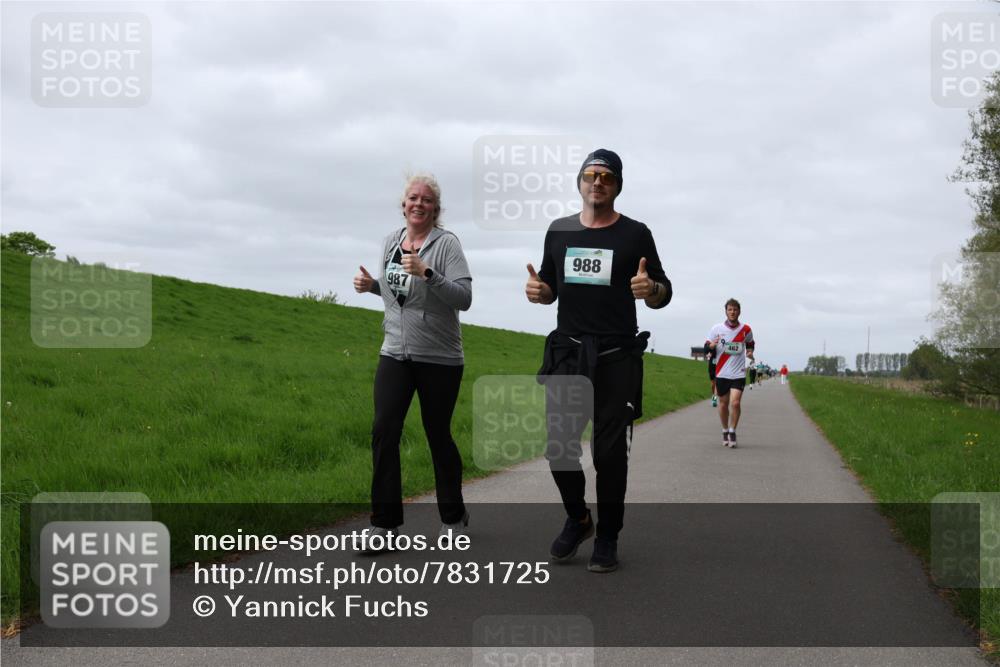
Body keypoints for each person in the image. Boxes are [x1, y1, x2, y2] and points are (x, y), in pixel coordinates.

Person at [525, 148, 672, 573]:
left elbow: (662, 289)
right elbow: (550, 284)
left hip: (616, 356)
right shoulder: (559, 232)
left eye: (606, 176)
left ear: (618, 185)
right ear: (579, 182)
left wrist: (652, 290)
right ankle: (578, 518)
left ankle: (608, 534)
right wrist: (541, 292)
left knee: (609, 455)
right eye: (590, 174)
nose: (597, 182)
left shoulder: (635, 234)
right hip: (569, 353)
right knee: (559, 449)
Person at [353, 173, 472, 553]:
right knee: (384, 430)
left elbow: (464, 298)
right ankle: (385, 526)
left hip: (439, 358)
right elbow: (398, 293)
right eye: (412, 198)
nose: (418, 204)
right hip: (394, 353)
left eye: (426, 200)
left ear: (436, 209)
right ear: (403, 205)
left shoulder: (447, 245)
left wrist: (429, 273)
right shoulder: (391, 241)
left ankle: (453, 519)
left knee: (438, 435)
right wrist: (373, 285)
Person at [705, 299, 754, 448]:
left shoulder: (746, 329)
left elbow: (750, 343)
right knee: (723, 404)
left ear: (739, 311)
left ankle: (733, 430)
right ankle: (725, 429)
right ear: (726, 311)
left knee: (735, 402)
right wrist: (712, 346)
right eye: (730, 310)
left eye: (735, 309)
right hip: (721, 372)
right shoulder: (716, 329)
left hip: (738, 373)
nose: (732, 312)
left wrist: (750, 352)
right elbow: (706, 348)